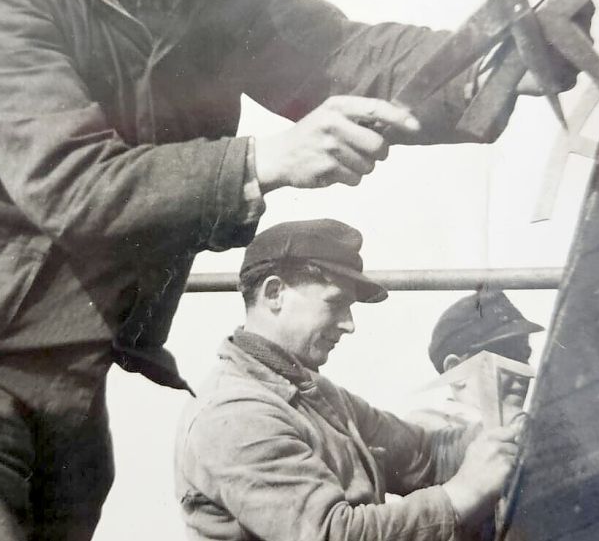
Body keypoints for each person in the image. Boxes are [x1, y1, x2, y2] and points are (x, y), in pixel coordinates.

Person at [0, 0, 572, 539]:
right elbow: (73, 183)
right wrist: (263, 161)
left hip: (62, 368)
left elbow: (337, 53)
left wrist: (495, 63)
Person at [175, 219, 523, 540]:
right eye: (336, 303)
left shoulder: (313, 393)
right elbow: (332, 533)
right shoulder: (234, 414)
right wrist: (462, 494)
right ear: (274, 293)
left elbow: (425, 454)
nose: (349, 324)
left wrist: (511, 434)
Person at [407, 290, 544, 430]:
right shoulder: (427, 440)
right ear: (456, 371)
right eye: (507, 358)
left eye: (525, 356)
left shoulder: (534, 433)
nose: (524, 373)